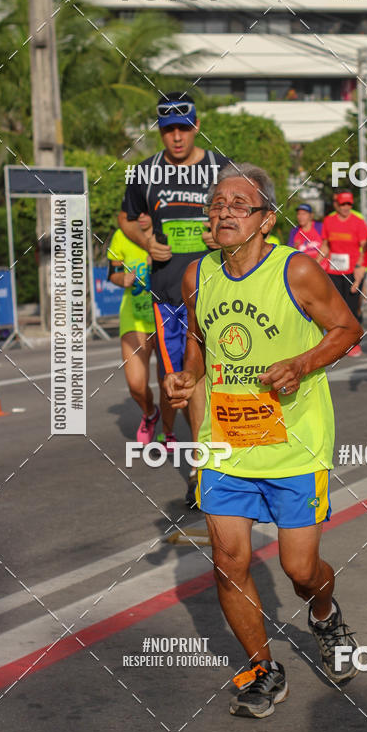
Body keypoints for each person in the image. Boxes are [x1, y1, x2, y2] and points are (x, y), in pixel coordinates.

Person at [163, 163, 363, 718]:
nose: (223, 211)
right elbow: (200, 342)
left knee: (300, 571)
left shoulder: (296, 271)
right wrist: (187, 377)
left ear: (265, 220)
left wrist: (301, 363)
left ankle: (324, 614)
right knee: (229, 562)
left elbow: (348, 329)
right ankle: (262, 670)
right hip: (226, 441)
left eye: (238, 204)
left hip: (295, 444)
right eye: (216, 203)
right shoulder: (197, 274)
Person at [118, 92, 231, 506]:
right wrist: (146, 239)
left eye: (184, 128)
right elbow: (125, 218)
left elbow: (253, 212)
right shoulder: (142, 173)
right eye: (169, 130)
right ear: (160, 132)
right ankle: (204, 470)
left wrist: (220, 232)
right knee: (186, 380)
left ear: (197, 126)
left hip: (221, 290)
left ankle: (232, 461)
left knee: (228, 377)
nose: (177, 137)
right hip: (169, 294)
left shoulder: (221, 168)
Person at [107, 214, 175, 444]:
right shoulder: (121, 236)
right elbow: (112, 273)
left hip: (165, 314)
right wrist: (121, 279)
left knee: (167, 380)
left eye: (146, 211)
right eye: (136, 213)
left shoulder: (168, 231)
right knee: (136, 383)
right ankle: (150, 413)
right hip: (134, 316)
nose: (142, 217)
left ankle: (168, 431)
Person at [318, 190, 367, 356]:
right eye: (343, 204)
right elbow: (326, 245)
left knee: (352, 308)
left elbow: (364, 247)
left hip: (352, 272)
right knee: (335, 308)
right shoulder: (329, 221)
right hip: (333, 270)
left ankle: (353, 343)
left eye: (349, 204)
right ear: (336, 205)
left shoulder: (358, 222)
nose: (346, 207)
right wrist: (316, 263)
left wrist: (361, 268)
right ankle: (338, 343)